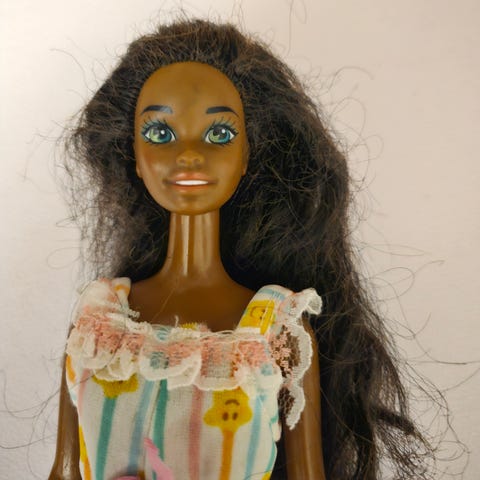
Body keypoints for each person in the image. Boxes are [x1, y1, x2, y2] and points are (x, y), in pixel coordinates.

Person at [50, 19, 431, 480]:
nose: (189, 155)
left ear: (247, 154)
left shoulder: (274, 332)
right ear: (134, 154)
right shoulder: (99, 323)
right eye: (160, 134)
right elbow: (64, 471)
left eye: (219, 135)